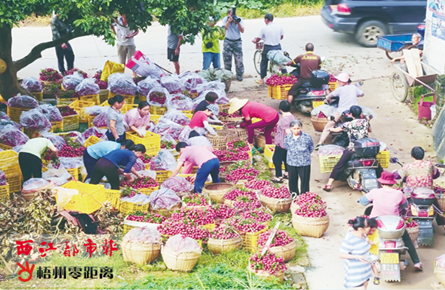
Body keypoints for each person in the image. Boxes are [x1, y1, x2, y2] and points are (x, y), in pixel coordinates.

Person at [358, 171, 424, 271]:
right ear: (392, 183)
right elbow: (405, 205)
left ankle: (364, 259)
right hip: (395, 223)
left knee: (366, 237)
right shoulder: (399, 193)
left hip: (377, 222)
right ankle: (417, 262)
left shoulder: (375, 192)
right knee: (407, 240)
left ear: (381, 182)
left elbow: (362, 201)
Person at [323, 106, 373, 191]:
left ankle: (329, 184)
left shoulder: (349, 124)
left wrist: (330, 128)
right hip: (366, 148)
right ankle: (383, 181)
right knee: (376, 163)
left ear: (350, 115)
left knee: (340, 164)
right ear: (361, 114)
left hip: (353, 149)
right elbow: (370, 130)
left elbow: (337, 130)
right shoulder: (365, 122)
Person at [394, 146, 445, 230]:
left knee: (401, 206)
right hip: (428, 194)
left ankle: (399, 223)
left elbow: (397, 176)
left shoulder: (407, 167)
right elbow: (436, 175)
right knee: (437, 206)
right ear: (423, 155)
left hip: (412, 195)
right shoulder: (429, 165)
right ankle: (443, 224)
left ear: (412, 156)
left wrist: (395, 172)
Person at [316, 73, 364, 149]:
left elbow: (330, 96)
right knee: (364, 122)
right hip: (353, 111)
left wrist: (326, 98)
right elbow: (362, 94)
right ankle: (367, 139)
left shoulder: (339, 90)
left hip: (341, 112)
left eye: (339, 80)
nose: (338, 82)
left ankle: (321, 142)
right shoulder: (354, 88)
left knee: (329, 125)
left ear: (345, 81)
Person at [339, 216, 373, 289]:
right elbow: (341, 255)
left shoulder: (364, 234)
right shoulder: (349, 239)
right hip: (355, 272)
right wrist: (356, 257)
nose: (369, 228)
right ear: (361, 229)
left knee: (365, 286)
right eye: (367, 227)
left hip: (365, 269)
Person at [253, 13, 286, 85]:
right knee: (280, 61)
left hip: (268, 47)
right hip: (277, 47)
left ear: (266, 20)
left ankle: (262, 79)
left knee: (264, 62)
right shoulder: (279, 27)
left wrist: (255, 40)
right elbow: (282, 36)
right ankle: (285, 77)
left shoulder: (264, 28)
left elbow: (259, 38)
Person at [284, 120, 314, 197]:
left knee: (305, 181)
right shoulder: (288, 137)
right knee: (292, 180)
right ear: (291, 129)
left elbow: (311, 147)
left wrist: (304, 155)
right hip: (291, 162)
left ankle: (304, 197)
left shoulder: (307, 137)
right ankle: (294, 196)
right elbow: (286, 147)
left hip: (304, 162)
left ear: (301, 128)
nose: (296, 130)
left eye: (298, 128)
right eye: (294, 128)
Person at [272, 100, 295, 183]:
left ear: (280, 109)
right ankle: (287, 172)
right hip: (286, 145)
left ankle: (279, 176)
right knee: (286, 158)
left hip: (281, 143)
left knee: (276, 159)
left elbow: (288, 131)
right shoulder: (292, 117)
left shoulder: (284, 120)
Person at [222, 7, 245, 81]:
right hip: (228, 41)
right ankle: (228, 75)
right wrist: (229, 21)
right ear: (228, 14)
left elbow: (242, 31)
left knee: (239, 60)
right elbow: (224, 28)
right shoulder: (225, 19)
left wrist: (237, 22)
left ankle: (239, 75)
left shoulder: (239, 19)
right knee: (227, 60)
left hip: (237, 41)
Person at [365, 218, 380, 286]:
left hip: (373, 252)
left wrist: (368, 241)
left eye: (373, 230)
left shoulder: (376, 234)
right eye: (370, 230)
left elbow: (374, 242)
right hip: (366, 251)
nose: (371, 232)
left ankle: (376, 277)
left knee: (372, 264)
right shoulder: (366, 233)